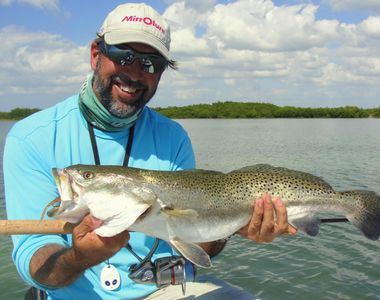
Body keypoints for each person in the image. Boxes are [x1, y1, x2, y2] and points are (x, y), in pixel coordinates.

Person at [4, 3, 296, 299]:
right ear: (96, 55)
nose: (134, 73)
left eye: (151, 63)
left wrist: (232, 225)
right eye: (123, 55)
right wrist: (80, 257)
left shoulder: (172, 136)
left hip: (165, 290)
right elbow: (34, 260)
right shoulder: (31, 137)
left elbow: (192, 239)